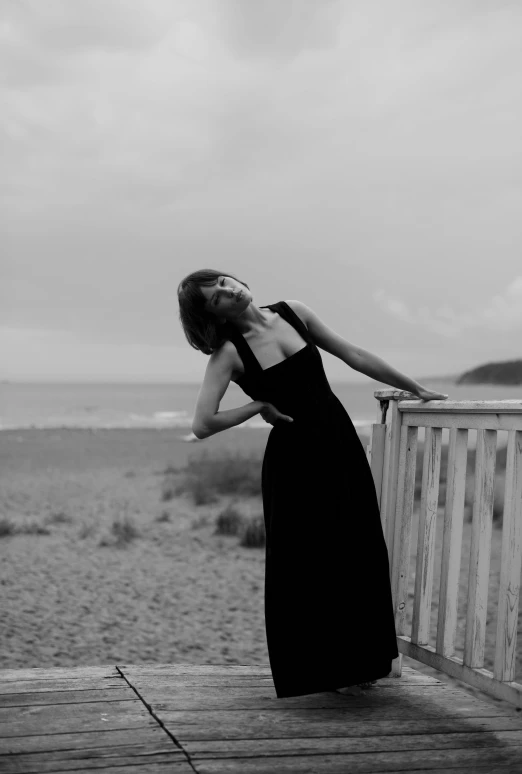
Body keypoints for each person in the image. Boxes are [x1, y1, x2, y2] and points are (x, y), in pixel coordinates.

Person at [177, 268, 447, 699]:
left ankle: (363, 665)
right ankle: (320, 672)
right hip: (293, 462)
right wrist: (257, 405)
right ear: (213, 317)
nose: (229, 291)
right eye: (216, 298)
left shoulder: (293, 312)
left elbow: (353, 354)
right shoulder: (228, 354)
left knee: (356, 545)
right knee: (307, 561)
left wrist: (413, 387)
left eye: (225, 282)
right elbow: (203, 423)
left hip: (338, 442)